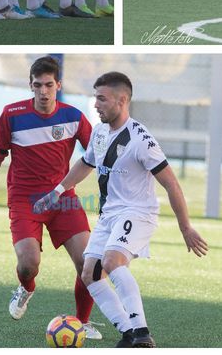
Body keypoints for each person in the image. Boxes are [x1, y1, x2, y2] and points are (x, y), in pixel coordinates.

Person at [33, 71, 208, 347]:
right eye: (95, 98)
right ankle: (128, 333)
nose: (96, 105)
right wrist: (57, 191)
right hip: (110, 215)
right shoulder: (100, 132)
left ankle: (142, 333)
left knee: (112, 261)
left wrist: (185, 227)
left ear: (122, 100)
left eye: (102, 99)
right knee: (89, 273)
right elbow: (85, 164)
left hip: (138, 213)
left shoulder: (141, 140)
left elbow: (171, 184)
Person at [0, 56, 101, 339]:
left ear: (58, 86)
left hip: (62, 199)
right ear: (30, 86)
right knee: (29, 263)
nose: (43, 91)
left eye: (49, 85)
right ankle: (26, 288)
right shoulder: (12, 114)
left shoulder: (74, 117)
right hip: (24, 200)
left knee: (88, 263)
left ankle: (82, 322)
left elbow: (96, 156)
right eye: (38, 85)